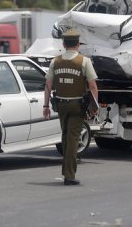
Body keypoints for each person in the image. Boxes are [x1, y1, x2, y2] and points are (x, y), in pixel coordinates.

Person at [43, 28, 98, 186]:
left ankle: (66, 169)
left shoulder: (55, 61)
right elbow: (93, 86)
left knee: (66, 135)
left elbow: (48, 84)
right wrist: (94, 107)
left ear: (63, 44)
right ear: (78, 44)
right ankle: (69, 175)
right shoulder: (84, 61)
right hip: (77, 105)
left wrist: (46, 105)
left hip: (61, 105)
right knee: (73, 138)